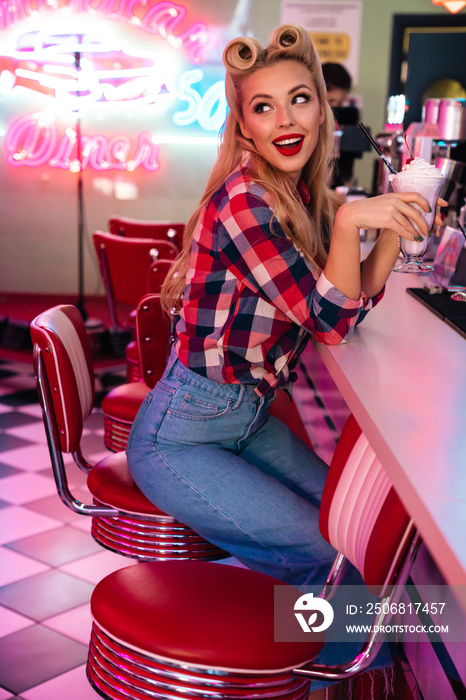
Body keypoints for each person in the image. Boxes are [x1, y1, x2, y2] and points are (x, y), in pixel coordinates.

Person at [126, 24, 444, 698]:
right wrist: (361, 219)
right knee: (324, 559)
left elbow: (350, 303)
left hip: (244, 420)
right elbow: (330, 323)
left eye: (299, 99)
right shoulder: (247, 204)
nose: (285, 119)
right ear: (243, 129)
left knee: (343, 547)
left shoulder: (298, 198)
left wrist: (385, 225)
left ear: (321, 110)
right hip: (183, 435)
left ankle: (353, 668)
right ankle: (331, 677)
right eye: (262, 107)